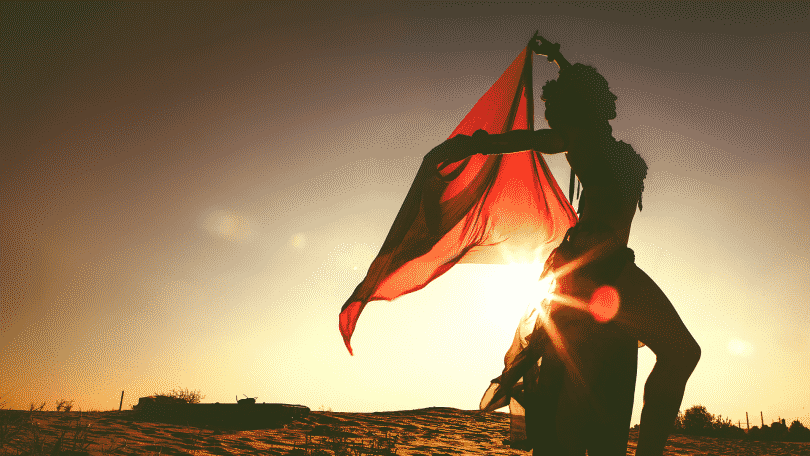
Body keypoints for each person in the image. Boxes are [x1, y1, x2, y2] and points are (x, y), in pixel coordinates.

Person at [435, 35, 701, 456]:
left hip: (604, 264)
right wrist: (479, 143)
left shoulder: (599, 137)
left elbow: (579, 88)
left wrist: (558, 57)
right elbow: (534, 140)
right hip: (594, 264)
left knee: (625, 376)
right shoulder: (581, 138)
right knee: (681, 352)